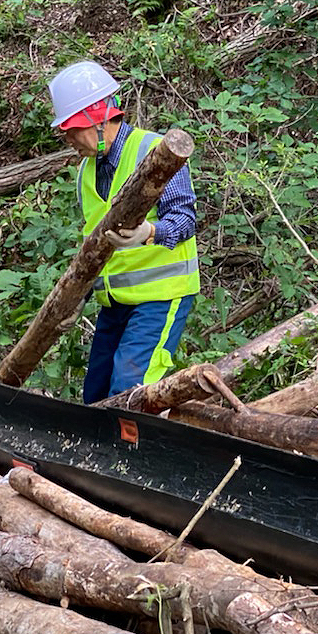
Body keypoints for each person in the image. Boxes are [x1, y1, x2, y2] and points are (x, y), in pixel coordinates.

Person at [48, 60, 200, 404]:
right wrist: (78, 300)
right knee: (96, 395)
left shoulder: (156, 152)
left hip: (160, 298)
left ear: (97, 118)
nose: (68, 138)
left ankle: (133, 455)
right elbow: (92, 246)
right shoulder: (87, 173)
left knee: (130, 390)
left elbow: (186, 220)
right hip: (115, 304)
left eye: (72, 129)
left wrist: (148, 232)